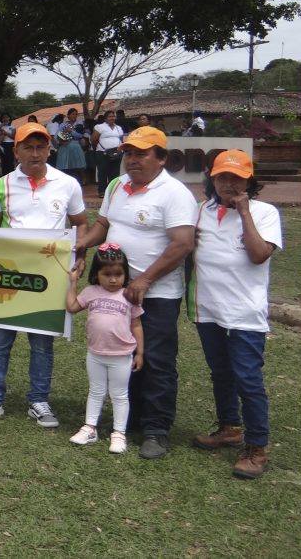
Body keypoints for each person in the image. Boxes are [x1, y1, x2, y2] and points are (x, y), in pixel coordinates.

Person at [77, 125, 196, 459]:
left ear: (161, 158)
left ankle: (156, 430)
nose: (132, 160)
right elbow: (102, 226)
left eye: (141, 154)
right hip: (117, 293)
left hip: (155, 296)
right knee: (124, 356)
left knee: (156, 360)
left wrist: (144, 282)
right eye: (128, 153)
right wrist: (78, 245)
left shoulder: (174, 193)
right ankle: (133, 419)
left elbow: (182, 244)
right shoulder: (117, 186)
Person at [0, 122, 88, 428]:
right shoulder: (0, 185)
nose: (35, 154)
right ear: (16, 150)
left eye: (41, 147)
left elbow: (80, 223)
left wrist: (80, 254)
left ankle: (39, 401)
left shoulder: (67, 184)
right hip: (10, 275)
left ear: (50, 149)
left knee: (42, 343)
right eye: (28, 147)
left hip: (50, 277)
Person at [191, 150, 281, 479]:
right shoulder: (201, 211)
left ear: (248, 181)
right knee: (221, 373)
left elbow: (259, 255)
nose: (229, 183)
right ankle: (229, 428)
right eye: (222, 177)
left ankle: (257, 447)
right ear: (211, 179)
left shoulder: (264, 212)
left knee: (248, 379)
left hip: (245, 313)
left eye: (236, 178)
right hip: (209, 309)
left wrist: (244, 213)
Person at [65, 244, 145, 454]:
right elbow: (72, 307)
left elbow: (136, 324)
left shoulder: (128, 295)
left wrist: (140, 353)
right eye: (107, 274)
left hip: (121, 356)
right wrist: (73, 283)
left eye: (118, 274)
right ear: (96, 274)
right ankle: (90, 428)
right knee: (96, 391)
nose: (112, 279)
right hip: (95, 354)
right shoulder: (91, 292)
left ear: (125, 274)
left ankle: (119, 433)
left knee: (119, 395)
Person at [91, 110, 125, 197]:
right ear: (105, 118)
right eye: (110, 116)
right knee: (103, 172)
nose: (112, 118)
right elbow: (93, 140)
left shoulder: (118, 128)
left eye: (113, 116)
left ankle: (113, 191)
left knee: (115, 173)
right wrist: (99, 149)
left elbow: (121, 139)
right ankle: (102, 191)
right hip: (103, 153)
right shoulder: (100, 127)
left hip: (116, 153)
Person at [55, 108, 87, 184]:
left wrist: (71, 131)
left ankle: (83, 180)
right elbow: (56, 136)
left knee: (79, 165)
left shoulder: (79, 124)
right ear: (68, 115)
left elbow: (80, 135)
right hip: (65, 145)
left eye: (76, 114)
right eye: (72, 114)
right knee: (64, 165)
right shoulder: (63, 124)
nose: (74, 116)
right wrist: (63, 138)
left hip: (75, 145)